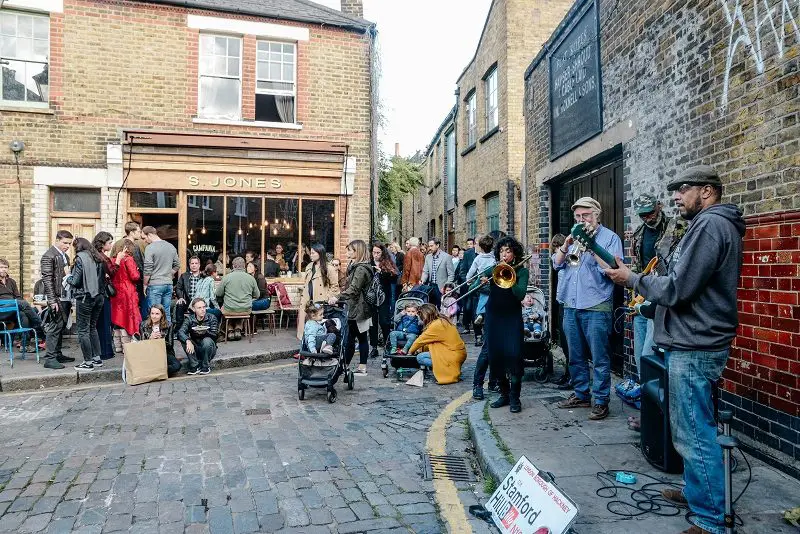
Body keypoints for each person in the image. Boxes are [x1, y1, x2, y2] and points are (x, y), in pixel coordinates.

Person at [602, 165, 744, 534]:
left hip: (695, 344)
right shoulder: (705, 225)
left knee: (694, 431)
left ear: (708, 191)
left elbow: (679, 289)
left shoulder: (711, 226)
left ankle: (711, 519)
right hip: (692, 339)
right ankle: (698, 492)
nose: (676, 196)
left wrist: (631, 279)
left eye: (683, 189)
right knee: (691, 425)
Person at [553, 197, 624, 421]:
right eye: (578, 217)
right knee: (575, 354)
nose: (582, 220)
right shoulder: (574, 240)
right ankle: (582, 394)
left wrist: (592, 248)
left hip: (596, 304)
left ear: (596, 215)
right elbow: (558, 264)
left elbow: (613, 268)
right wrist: (567, 244)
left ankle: (601, 400)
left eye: (585, 216)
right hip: (572, 303)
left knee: (600, 357)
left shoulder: (610, 238)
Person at [627, 194, 687, 431]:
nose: (648, 217)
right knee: (641, 361)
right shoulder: (639, 233)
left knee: (650, 357)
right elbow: (639, 267)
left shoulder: (677, 228)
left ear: (659, 207)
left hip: (661, 302)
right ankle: (648, 412)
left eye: (650, 212)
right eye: (643, 214)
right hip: (643, 299)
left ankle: (656, 417)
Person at [484, 236, 529, 413]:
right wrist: (482, 282)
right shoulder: (494, 269)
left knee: (514, 354)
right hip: (494, 316)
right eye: (502, 251)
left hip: (511, 317)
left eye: (508, 251)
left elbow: (520, 294)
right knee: (496, 356)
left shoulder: (522, 272)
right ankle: (503, 394)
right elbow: (473, 281)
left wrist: (510, 278)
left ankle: (515, 397)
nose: (504, 254)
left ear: (514, 253)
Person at [67, 236, 116, 370]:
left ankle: (88, 362)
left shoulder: (80, 259)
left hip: (85, 297)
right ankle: (97, 358)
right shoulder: (98, 258)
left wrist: (68, 277)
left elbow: (76, 281)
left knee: (83, 330)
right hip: (99, 297)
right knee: (92, 328)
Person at [334, 240, 374, 377]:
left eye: (350, 250)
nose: (348, 252)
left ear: (358, 251)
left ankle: (362, 367)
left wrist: (338, 297)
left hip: (360, 308)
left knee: (361, 337)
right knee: (350, 338)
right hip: (354, 307)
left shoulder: (361, 268)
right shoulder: (355, 266)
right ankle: (344, 366)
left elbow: (354, 289)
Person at [40, 230, 75, 369]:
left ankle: (57, 353)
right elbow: (47, 279)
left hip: (65, 296)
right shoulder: (49, 256)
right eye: (65, 243)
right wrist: (52, 300)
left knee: (61, 327)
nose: (67, 246)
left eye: (69, 243)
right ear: (57, 240)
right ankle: (50, 358)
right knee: (54, 327)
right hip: (57, 297)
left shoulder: (64, 255)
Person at [409, 303, 466, 385]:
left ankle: (446, 370)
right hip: (457, 352)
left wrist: (410, 352)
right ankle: (449, 368)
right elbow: (428, 341)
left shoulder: (436, 325)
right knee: (425, 352)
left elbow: (420, 340)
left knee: (420, 358)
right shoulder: (442, 320)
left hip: (452, 354)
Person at [0, 258, 45, 352]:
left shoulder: (11, 281)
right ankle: (41, 325)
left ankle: (25, 345)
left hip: (13, 309)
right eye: (1, 267)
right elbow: (19, 301)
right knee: (22, 303)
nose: (3, 269)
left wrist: (17, 303)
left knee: (24, 314)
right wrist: (14, 302)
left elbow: (17, 297)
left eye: (5, 267)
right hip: (2, 310)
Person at [297, 244, 340, 340]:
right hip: (307, 301)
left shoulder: (329, 268)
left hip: (320, 302)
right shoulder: (309, 266)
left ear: (320, 254)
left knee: (318, 329)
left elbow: (335, 286)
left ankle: (316, 348)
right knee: (306, 328)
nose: (311, 255)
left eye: (313, 253)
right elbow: (306, 283)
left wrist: (327, 297)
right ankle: (304, 349)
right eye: (310, 253)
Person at [142, 226, 179, 324]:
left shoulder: (150, 248)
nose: (144, 241)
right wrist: (168, 274)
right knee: (166, 312)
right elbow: (177, 265)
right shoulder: (170, 246)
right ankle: (168, 338)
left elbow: (148, 268)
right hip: (168, 284)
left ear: (149, 234)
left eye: (144, 238)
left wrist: (145, 284)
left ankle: (156, 339)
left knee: (154, 314)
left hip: (155, 285)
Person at [110, 239, 141, 350]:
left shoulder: (112, 260)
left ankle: (118, 345)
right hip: (127, 291)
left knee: (118, 317)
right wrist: (138, 270)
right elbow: (135, 276)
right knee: (129, 317)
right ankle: (126, 345)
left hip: (115, 291)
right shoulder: (128, 259)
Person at [216, 257, 259, 339]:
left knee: (229, 307)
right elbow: (257, 295)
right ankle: (238, 329)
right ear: (244, 266)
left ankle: (230, 330)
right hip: (246, 310)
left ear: (233, 266)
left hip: (229, 309)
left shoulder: (226, 277)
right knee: (241, 308)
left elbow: (218, 294)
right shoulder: (251, 278)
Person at [550, 234, 572, 389]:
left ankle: (572, 376)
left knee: (570, 344)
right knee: (564, 343)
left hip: (570, 302)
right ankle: (567, 374)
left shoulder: (570, 255)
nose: (557, 251)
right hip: (562, 301)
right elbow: (557, 264)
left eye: (558, 247)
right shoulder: (556, 257)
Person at [111, 221, 146, 317]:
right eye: (138, 231)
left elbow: (112, 262)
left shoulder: (117, 243)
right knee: (133, 311)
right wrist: (143, 281)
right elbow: (139, 265)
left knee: (120, 311)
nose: (140, 234)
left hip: (117, 283)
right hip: (132, 284)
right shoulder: (134, 246)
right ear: (131, 232)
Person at [466, 235, 496, 346]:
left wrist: (469, 281)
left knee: (477, 306)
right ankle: (487, 335)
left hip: (480, 286)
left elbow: (469, 274)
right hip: (492, 286)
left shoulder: (478, 258)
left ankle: (478, 334)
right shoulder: (495, 258)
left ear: (481, 247)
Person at [369, 243, 398, 357]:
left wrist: (382, 272)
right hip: (371, 297)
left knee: (384, 322)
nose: (375, 255)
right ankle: (374, 347)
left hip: (384, 296)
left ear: (382, 253)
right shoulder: (369, 263)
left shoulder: (387, 262)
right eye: (374, 252)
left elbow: (394, 277)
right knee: (372, 323)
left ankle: (387, 344)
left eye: (378, 253)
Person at [177, 297, 219, 375]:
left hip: (209, 349)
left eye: (204, 307)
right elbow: (180, 332)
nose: (202, 309)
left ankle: (205, 366)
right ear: (194, 309)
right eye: (199, 308)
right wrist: (188, 340)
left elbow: (216, 336)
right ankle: (194, 366)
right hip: (196, 348)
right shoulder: (190, 319)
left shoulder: (211, 318)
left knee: (207, 340)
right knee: (185, 340)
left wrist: (205, 332)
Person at [138, 304, 181, 377]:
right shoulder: (143, 324)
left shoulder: (169, 325)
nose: (154, 316)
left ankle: (154, 372)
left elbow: (170, 345)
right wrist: (150, 338)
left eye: (157, 314)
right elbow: (142, 344)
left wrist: (161, 340)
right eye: (152, 313)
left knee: (177, 365)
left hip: (164, 352)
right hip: (149, 353)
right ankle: (159, 371)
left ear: (162, 315)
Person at [420, 238, 454, 307]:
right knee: (430, 308)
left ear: (437, 245)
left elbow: (451, 275)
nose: (430, 248)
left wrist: (446, 287)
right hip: (430, 286)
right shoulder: (428, 257)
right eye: (429, 246)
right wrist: (422, 280)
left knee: (441, 308)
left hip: (442, 287)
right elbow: (425, 271)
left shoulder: (447, 257)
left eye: (432, 246)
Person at [455, 237, 477, 334]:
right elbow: (462, 270)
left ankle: (478, 332)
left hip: (481, 286)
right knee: (467, 307)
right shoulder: (468, 254)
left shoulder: (487, 254)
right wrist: (467, 281)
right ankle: (467, 326)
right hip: (468, 285)